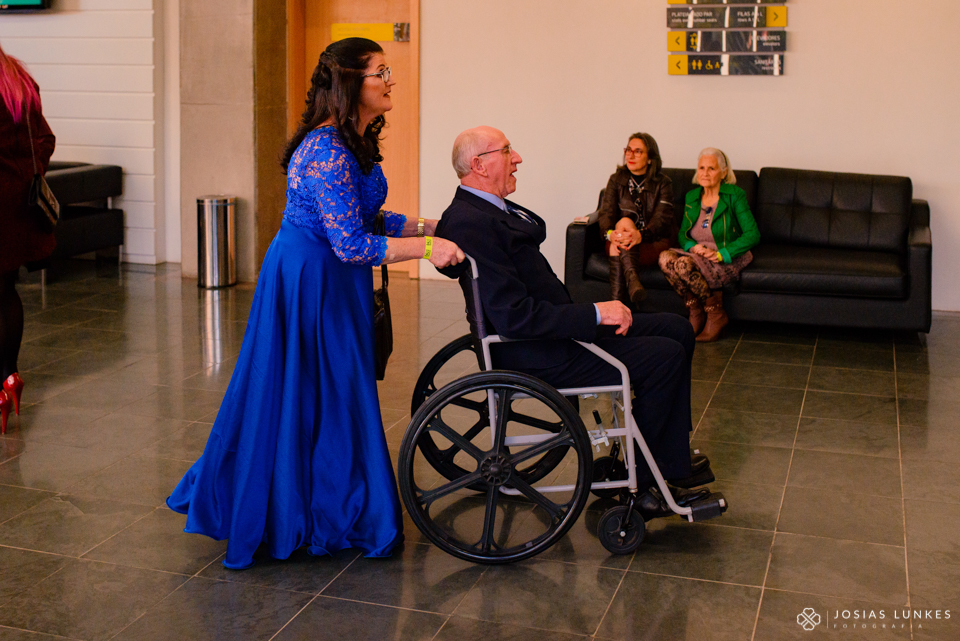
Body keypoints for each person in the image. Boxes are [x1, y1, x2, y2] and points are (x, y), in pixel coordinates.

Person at [167, 38, 464, 570]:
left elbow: (369, 217)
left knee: (333, 389)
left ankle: (329, 503)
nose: (391, 80)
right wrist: (427, 249)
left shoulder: (352, 142)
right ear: (351, 82)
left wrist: (433, 225)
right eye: (381, 71)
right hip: (309, 281)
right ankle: (301, 509)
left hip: (333, 278)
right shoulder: (326, 149)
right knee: (307, 390)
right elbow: (350, 243)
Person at [435, 126, 716, 519]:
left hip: (550, 333)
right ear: (479, 165)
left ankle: (666, 454)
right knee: (664, 356)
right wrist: (598, 312)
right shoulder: (472, 221)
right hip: (535, 351)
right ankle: (645, 478)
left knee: (678, 328)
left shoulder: (483, 210)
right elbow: (515, 317)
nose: (518, 158)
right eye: (508, 151)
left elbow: (531, 231)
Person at [0, 43, 56, 435]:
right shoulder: (18, 78)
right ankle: (9, 378)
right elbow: (45, 141)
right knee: (6, 289)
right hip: (16, 202)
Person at [658, 148, 759, 342]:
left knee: (682, 265)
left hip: (726, 253)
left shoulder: (734, 195)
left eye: (711, 168)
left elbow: (752, 234)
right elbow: (683, 232)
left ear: (723, 171)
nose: (705, 173)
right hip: (698, 253)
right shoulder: (692, 197)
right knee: (665, 258)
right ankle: (695, 310)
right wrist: (692, 247)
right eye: (701, 168)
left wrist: (723, 253)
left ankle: (715, 314)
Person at [597, 133, 675, 306]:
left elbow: (662, 220)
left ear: (650, 158)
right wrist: (610, 234)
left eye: (638, 151)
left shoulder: (663, 183)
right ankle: (632, 282)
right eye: (628, 150)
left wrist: (640, 235)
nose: (630, 155)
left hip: (651, 242)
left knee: (619, 242)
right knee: (623, 226)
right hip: (618, 238)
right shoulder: (616, 179)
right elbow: (606, 214)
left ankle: (617, 305)